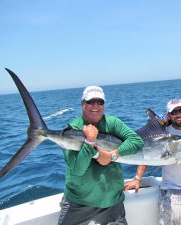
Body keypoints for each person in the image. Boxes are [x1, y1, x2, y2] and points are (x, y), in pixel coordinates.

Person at [58, 86, 144, 225]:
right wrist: (89, 142)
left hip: (112, 203)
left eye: (100, 102)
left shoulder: (112, 122)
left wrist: (113, 155)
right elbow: (78, 169)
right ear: (83, 104)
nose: (96, 106)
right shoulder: (73, 128)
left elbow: (136, 141)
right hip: (79, 203)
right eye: (91, 101)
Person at [125, 99, 181, 225]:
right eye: (174, 112)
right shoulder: (163, 134)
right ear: (169, 116)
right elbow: (147, 155)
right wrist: (137, 178)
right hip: (174, 191)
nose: (179, 114)